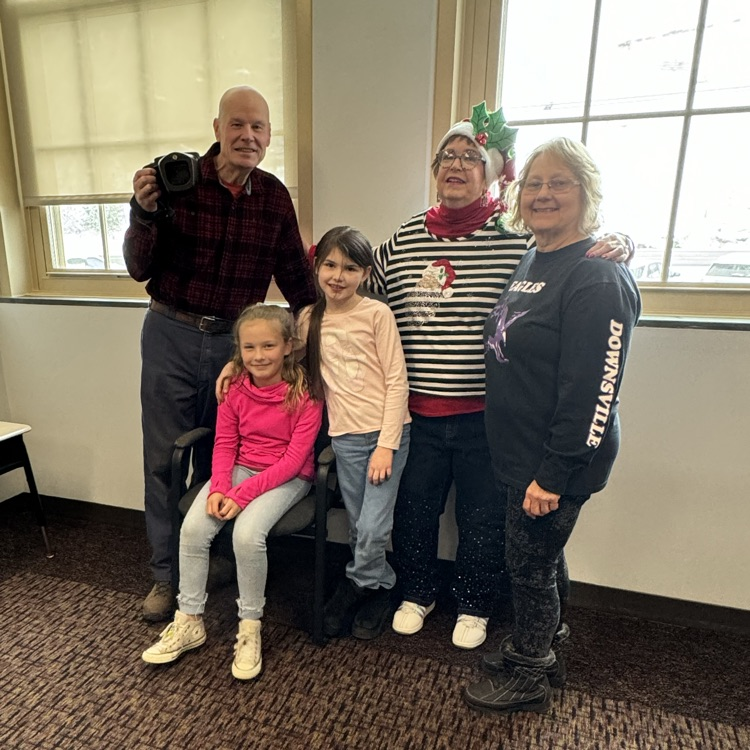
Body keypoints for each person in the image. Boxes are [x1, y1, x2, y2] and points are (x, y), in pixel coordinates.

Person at [369, 102, 631, 650]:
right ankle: (417, 592)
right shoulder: (404, 239)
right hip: (417, 412)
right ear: (435, 168)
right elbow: (348, 287)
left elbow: (572, 253)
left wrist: (625, 244)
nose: (457, 164)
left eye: (471, 155)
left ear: (491, 172)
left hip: (486, 419)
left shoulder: (516, 239)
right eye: (447, 155)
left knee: (483, 518)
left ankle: (475, 603)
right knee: (414, 512)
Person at [124, 85, 317, 622]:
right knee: (164, 460)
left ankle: (217, 558)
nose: (247, 136)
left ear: (269, 136)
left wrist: (328, 330)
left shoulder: (274, 197)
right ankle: (167, 576)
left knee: (225, 456)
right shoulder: (175, 184)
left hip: (241, 347)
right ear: (216, 128)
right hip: (172, 334)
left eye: (258, 127)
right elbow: (139, 267)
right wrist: (142, 211)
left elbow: (298, 281)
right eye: (237, 124)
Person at [464, 137, 641, 714]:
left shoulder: (598, 279)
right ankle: (547, 641)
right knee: (542, 557)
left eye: (560, 182)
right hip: (520, 453)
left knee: (529, 565)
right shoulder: (535, 256)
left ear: (586, 193)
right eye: (534, 183)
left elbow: (595, 390)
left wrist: (556, 473)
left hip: (556, 460)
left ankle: (530, 671)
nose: (544, 194)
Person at [141, 304, 323, 680]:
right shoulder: (235, 389)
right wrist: (219, 488)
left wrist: (240, 497)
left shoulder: (306, 394)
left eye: (268, 346)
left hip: (287, 477)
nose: (259, 356)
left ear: (288, 346)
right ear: (238, 349)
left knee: (246, 534)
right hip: (239, 470)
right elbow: (225, 444)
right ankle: (189, 619)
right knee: (193, 530)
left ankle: (250, 626)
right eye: (250, 347)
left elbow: (292, 462)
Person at [297, 226, 411, 640]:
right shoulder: (310, 318)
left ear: (365, 273)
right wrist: (234, 366)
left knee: (376, 526)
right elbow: (281, 358)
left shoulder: (376, 314)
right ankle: (381, 585)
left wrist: (386, 445)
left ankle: (353, 585)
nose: (337, 275)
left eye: (349, 267)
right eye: (329, 264)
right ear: (317, 267)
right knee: (360, 526)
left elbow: (398, 382)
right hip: (345, 438)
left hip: (387, 437)